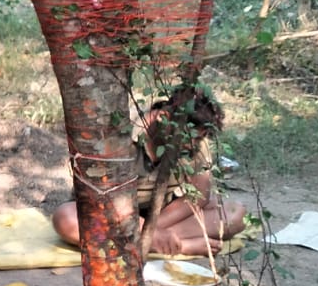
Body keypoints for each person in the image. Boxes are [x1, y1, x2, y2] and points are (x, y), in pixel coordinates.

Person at [52, 95, 246, 256]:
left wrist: (152, 230)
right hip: (109, 213)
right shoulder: (121, 136)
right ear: (162, 117)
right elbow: (104, 201)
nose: (193, 145)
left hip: (159, 215)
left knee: (233, 214)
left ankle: (156, 241)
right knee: (65, 219)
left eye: (200, 138)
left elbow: (199, 195)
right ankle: (179, 246)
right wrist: (147, 231)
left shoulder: (195, 143)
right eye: (190, 138)